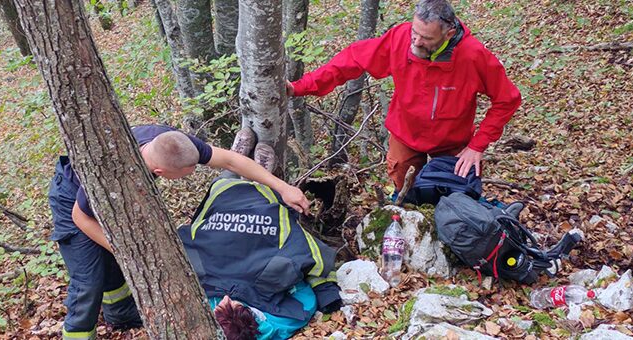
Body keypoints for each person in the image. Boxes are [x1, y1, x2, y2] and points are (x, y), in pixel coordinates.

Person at [48, 124, 310, 340]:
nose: (193, 173)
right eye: (187, 173)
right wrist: (127, 252)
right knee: (89, 278)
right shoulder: (113, 172)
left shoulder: (172, 142)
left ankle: (120, 314)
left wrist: (282, 187)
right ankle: (79, 334)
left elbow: (230, 159)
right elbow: (80, 217)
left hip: (115, 200)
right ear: (159, 172)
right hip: (72, 201)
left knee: (117, 266)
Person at [287, 0, 521, 195]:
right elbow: (350, 61)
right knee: (405, 196)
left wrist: (476, 147)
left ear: (449, 34)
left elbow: (507, 99)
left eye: (426, 38)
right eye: (415, 32)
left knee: (454, 199)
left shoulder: (473, 56)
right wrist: (299, 87)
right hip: (405, 136)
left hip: (453, 144)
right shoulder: (400, 38)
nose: (416, 41)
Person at [178, 175, 342, 340]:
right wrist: (325, 293)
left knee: (229, 172)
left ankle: (240, 164)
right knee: (247, 170)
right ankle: (249, 166)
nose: (226, 298)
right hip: (262, 200)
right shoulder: (282, 318)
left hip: (225, 193)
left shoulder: (198, 303)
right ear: (252, 316)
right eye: (231, 305)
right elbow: (310, 259)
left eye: (221, 307)